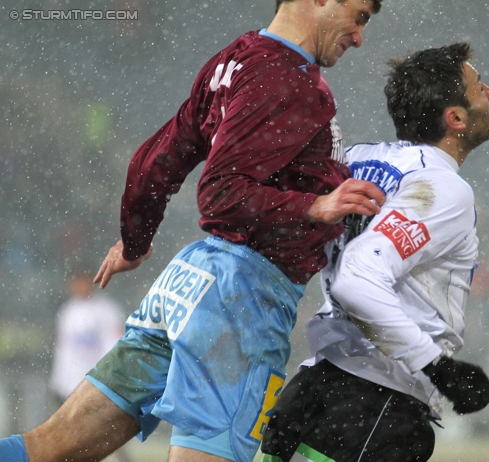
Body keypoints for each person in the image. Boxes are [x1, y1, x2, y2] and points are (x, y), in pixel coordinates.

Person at [0, 1, 387, 461]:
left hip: (186, 284)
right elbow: (221, 192)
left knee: (49, 448)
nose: (360, 36)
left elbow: (158, 156)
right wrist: (316, 205)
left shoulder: (235, 58)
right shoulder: (292, 80)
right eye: (359, 16)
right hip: (241, 302)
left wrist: (135, 238)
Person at [259, 42, 489, 462]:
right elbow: (357, 280)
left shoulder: (355, 160)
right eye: (479, 86)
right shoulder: (442, 187)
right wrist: (439, 368)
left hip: (314, 387)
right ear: (455, 118)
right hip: (372, 406)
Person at [49, 270, 130, 462]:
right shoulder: (67, 310)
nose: (79, 287)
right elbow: (63, 349)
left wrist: (109, 376)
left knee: (109, 431)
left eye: (82, 282)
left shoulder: (107, 309)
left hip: (97, 381)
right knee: (70, 433)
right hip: (69, 382)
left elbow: (115, 344)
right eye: (75, 283)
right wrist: (58, 380)